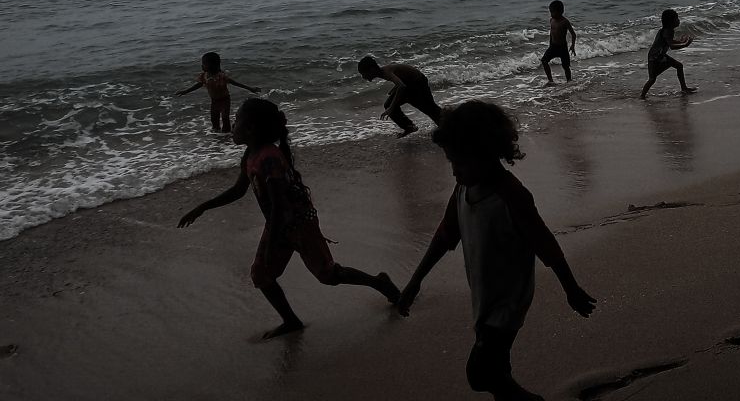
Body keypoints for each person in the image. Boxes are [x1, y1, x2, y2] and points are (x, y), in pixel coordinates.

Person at [396, 101, 595, 401]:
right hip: (484, 296)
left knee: (480, 374)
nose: (454, 171)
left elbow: (545, 244)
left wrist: (571, 289)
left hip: (508, 301)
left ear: (486, 153)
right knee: (497, 372)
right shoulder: (463, 189)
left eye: (459, 163)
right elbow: (444, 236)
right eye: (451, 162)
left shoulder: (511, 195)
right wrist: (415, 281)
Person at [177, 98, 400, 339]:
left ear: (251, 128)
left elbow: (279, 204)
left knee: (328, 275)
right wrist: (202, 207)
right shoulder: (250, 155)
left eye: (237, 121)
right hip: (278, 223)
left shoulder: (269, 158)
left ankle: (380, 282)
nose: (232, 126)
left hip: (299, 224)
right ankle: (291, 321)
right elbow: (239, 190)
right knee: (260, 274)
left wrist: (273, 241)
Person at [357, 56, 443, 135]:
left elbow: (402, 86)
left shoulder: (386, 72)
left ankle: (447, 125)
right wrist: (394, 90)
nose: (363, 76)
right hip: (409, 84)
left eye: (363, 73)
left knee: (429, 108)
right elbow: (401, 79)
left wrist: (391, 107)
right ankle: (409, 127)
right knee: (389, 105)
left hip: (418, 82)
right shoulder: (382, 72)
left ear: (371, 70)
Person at [176, 52, 260, 132]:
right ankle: (217, 136)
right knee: (214, 119)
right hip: (214, 101)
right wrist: (185, 91)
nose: (202, 66)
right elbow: (198, 85)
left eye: (204, 64)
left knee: (225, 118)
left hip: (225, 100)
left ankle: (226, 135)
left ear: (212, 65)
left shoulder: (221, 76)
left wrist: (250, 88)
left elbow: (235, 83)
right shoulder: (204, 76)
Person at [639, 9, 697, 99]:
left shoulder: (668, 30)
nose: (678, 20)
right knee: (652, 79)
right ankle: (642, 96)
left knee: (679, 66)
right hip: (654, 57)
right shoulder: (667, 31)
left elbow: (669, 42)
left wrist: (680, 41)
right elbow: (672, 46)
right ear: (670, 22)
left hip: (660, 55)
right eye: (676, 19)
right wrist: (685, 44)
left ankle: (684, 88)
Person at [539, 0, 577, 85]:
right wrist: (550, 44)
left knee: (566, 66)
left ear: (560, 12)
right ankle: (550, 80)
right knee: (544, 61)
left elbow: (573, 34)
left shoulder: (565, 21)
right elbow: (551, 33)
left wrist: (573, 46)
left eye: (552, 12)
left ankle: (569, 81)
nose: (551, 14)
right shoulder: (551, 20)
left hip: (562, 47)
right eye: (550, 12)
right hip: (553, 46)